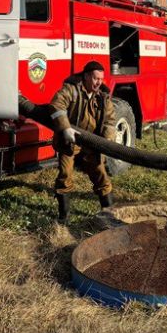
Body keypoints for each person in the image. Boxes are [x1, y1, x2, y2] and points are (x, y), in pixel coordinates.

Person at [48, 60, 117, 222]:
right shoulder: (71, 89)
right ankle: (63, 217)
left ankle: (109, 213)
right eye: (95, 78)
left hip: (92, 143)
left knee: (100, 175)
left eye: (101, 79)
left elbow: (109, 121)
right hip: (70, 140)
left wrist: (106, 142)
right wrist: (65, 128)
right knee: (65, 175)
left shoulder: (103, 97)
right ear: (86, 77)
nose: (98, 82)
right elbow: (56, 105)